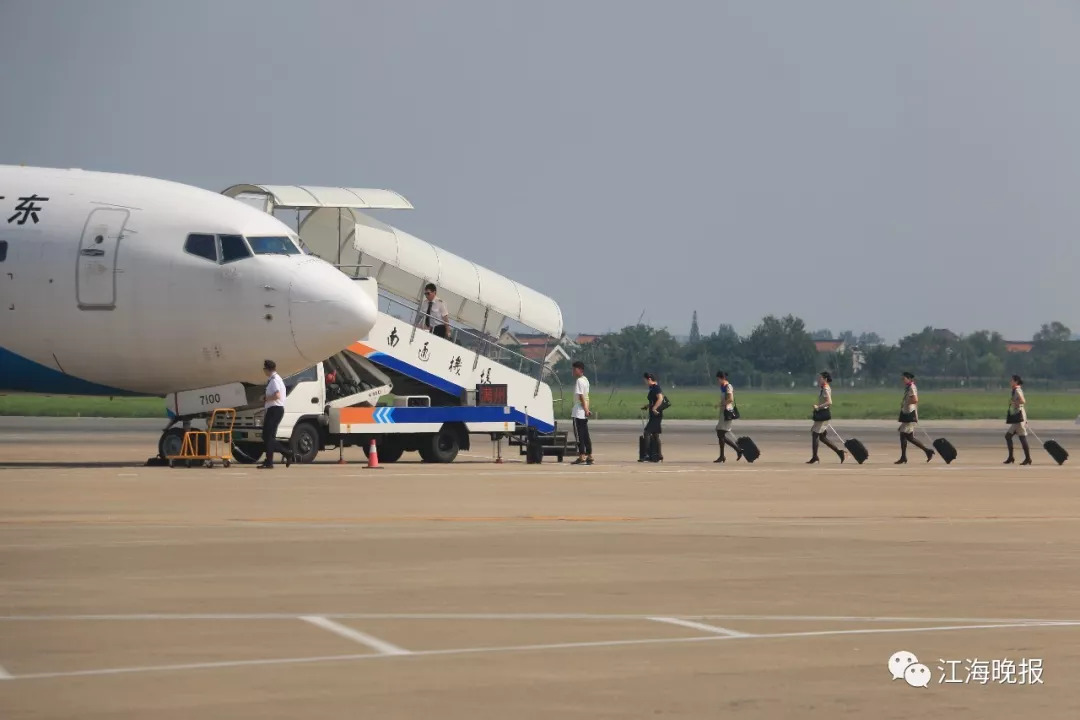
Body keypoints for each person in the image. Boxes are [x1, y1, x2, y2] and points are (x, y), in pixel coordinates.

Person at [258, 359, 293, 470]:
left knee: (266, 436)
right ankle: (269, 461)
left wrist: (265, 398)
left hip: (275, 409)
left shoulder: (274, 380)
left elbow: (277, 395)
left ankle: (287, 453)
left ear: (267, 369)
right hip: (276, 409)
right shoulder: (275, 379)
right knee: (269, 436)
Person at [896, 371, 934, 464]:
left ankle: (906, 456)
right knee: (908, 437)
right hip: (907, 413)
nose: (902, 380)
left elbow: (915, 400)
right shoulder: (908, 387)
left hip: (910, 414)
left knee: (904, 435)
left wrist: (906, 403)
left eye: (904, 378)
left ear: (908, 378)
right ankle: (926, 451)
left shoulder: (912, 387)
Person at [808, 371, 845, 463]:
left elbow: (829, 402)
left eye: (820, 378)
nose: (818, 379)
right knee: (822, 437)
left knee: (815, 434)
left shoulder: (825, 388)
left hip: (823, 414)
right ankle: (839, 452)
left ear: (825, 379)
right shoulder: (824, 388)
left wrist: (818, 407)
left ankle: (815, 456)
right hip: (822, 414)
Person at [714, 371, 742, 463]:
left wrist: (720, 404)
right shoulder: (722, 387)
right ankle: (722, 456)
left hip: (727, 413)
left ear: (722, 378)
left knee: (720, 434)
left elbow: (730, 399)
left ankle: (737, 450)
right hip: (723, 413)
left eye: (718, 379)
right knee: (720, 434)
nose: (717, 381)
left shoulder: (728, 386)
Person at [1004, 374, 1032, 465]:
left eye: (1011, 380)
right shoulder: (1015, 390)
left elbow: (1023, 401)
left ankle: (1027, 458)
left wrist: (1014, 402)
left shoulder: (1017, 390)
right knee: (1010, 436)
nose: (1010, 382)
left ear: (1016, 381)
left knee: (1021, 437)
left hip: (1019, 417)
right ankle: (1012, 457)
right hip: (1017, 416)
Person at [570, 360, 593, 465]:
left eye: (574, 369)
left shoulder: (579, 381)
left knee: (579, 435)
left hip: (578, 411)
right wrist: (587, 409)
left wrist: (586, 409)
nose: (573, 371)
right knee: (585, 434)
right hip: (583, 411)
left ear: (580, 370)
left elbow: (581, 396)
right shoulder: (586, 380)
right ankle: (589, 455)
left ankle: (582, 455)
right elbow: (587, 396)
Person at [640, 372, 664, 462]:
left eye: (645, 380)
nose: (645, 382)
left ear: (649, 379)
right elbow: (653, 400)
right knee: (655, 434)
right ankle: (659, 454)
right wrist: (647, 406)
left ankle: (647, 454)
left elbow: (660, 398)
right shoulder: (652, 388)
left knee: (647, 432)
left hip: (656, 414)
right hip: (654, 414)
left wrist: (654, 408)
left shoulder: (656, 388)